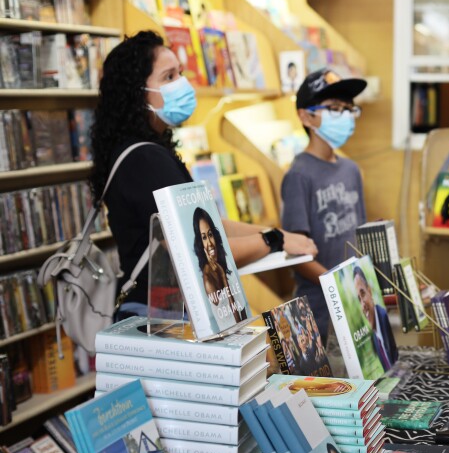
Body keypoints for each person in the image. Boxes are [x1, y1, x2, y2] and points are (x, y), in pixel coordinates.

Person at [90, 31, 317, 318]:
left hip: (165, 311)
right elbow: (194, 249)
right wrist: (273, 241)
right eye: (168, 77)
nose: (182, 84)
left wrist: (276, 234)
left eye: (180, 74)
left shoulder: (149, 151)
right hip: (157, 318)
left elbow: (207, 223)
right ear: (136, 93)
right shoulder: (144, 160)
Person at [281, 68, 368, 344]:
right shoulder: (299, 175)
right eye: (333, 108)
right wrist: (340, 286)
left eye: (347, 108)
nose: (343, 115)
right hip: (317, 307)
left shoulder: (351, 169)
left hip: (355, 301)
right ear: (306, 116)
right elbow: (297, 252)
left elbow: (360, 236)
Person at [192, 207, 246, 330]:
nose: (209, 243)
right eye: (204, 237)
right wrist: (223, 278)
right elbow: (237, 323)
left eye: (210, 235)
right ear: (200, 242)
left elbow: (243, 312)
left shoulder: (224, 258)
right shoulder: (208, 280)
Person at [353, 266, 397, 370]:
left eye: (363, 294)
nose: (363, 304)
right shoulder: (370, 335)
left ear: (370, 291)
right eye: (358, 299)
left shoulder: (384, 316)